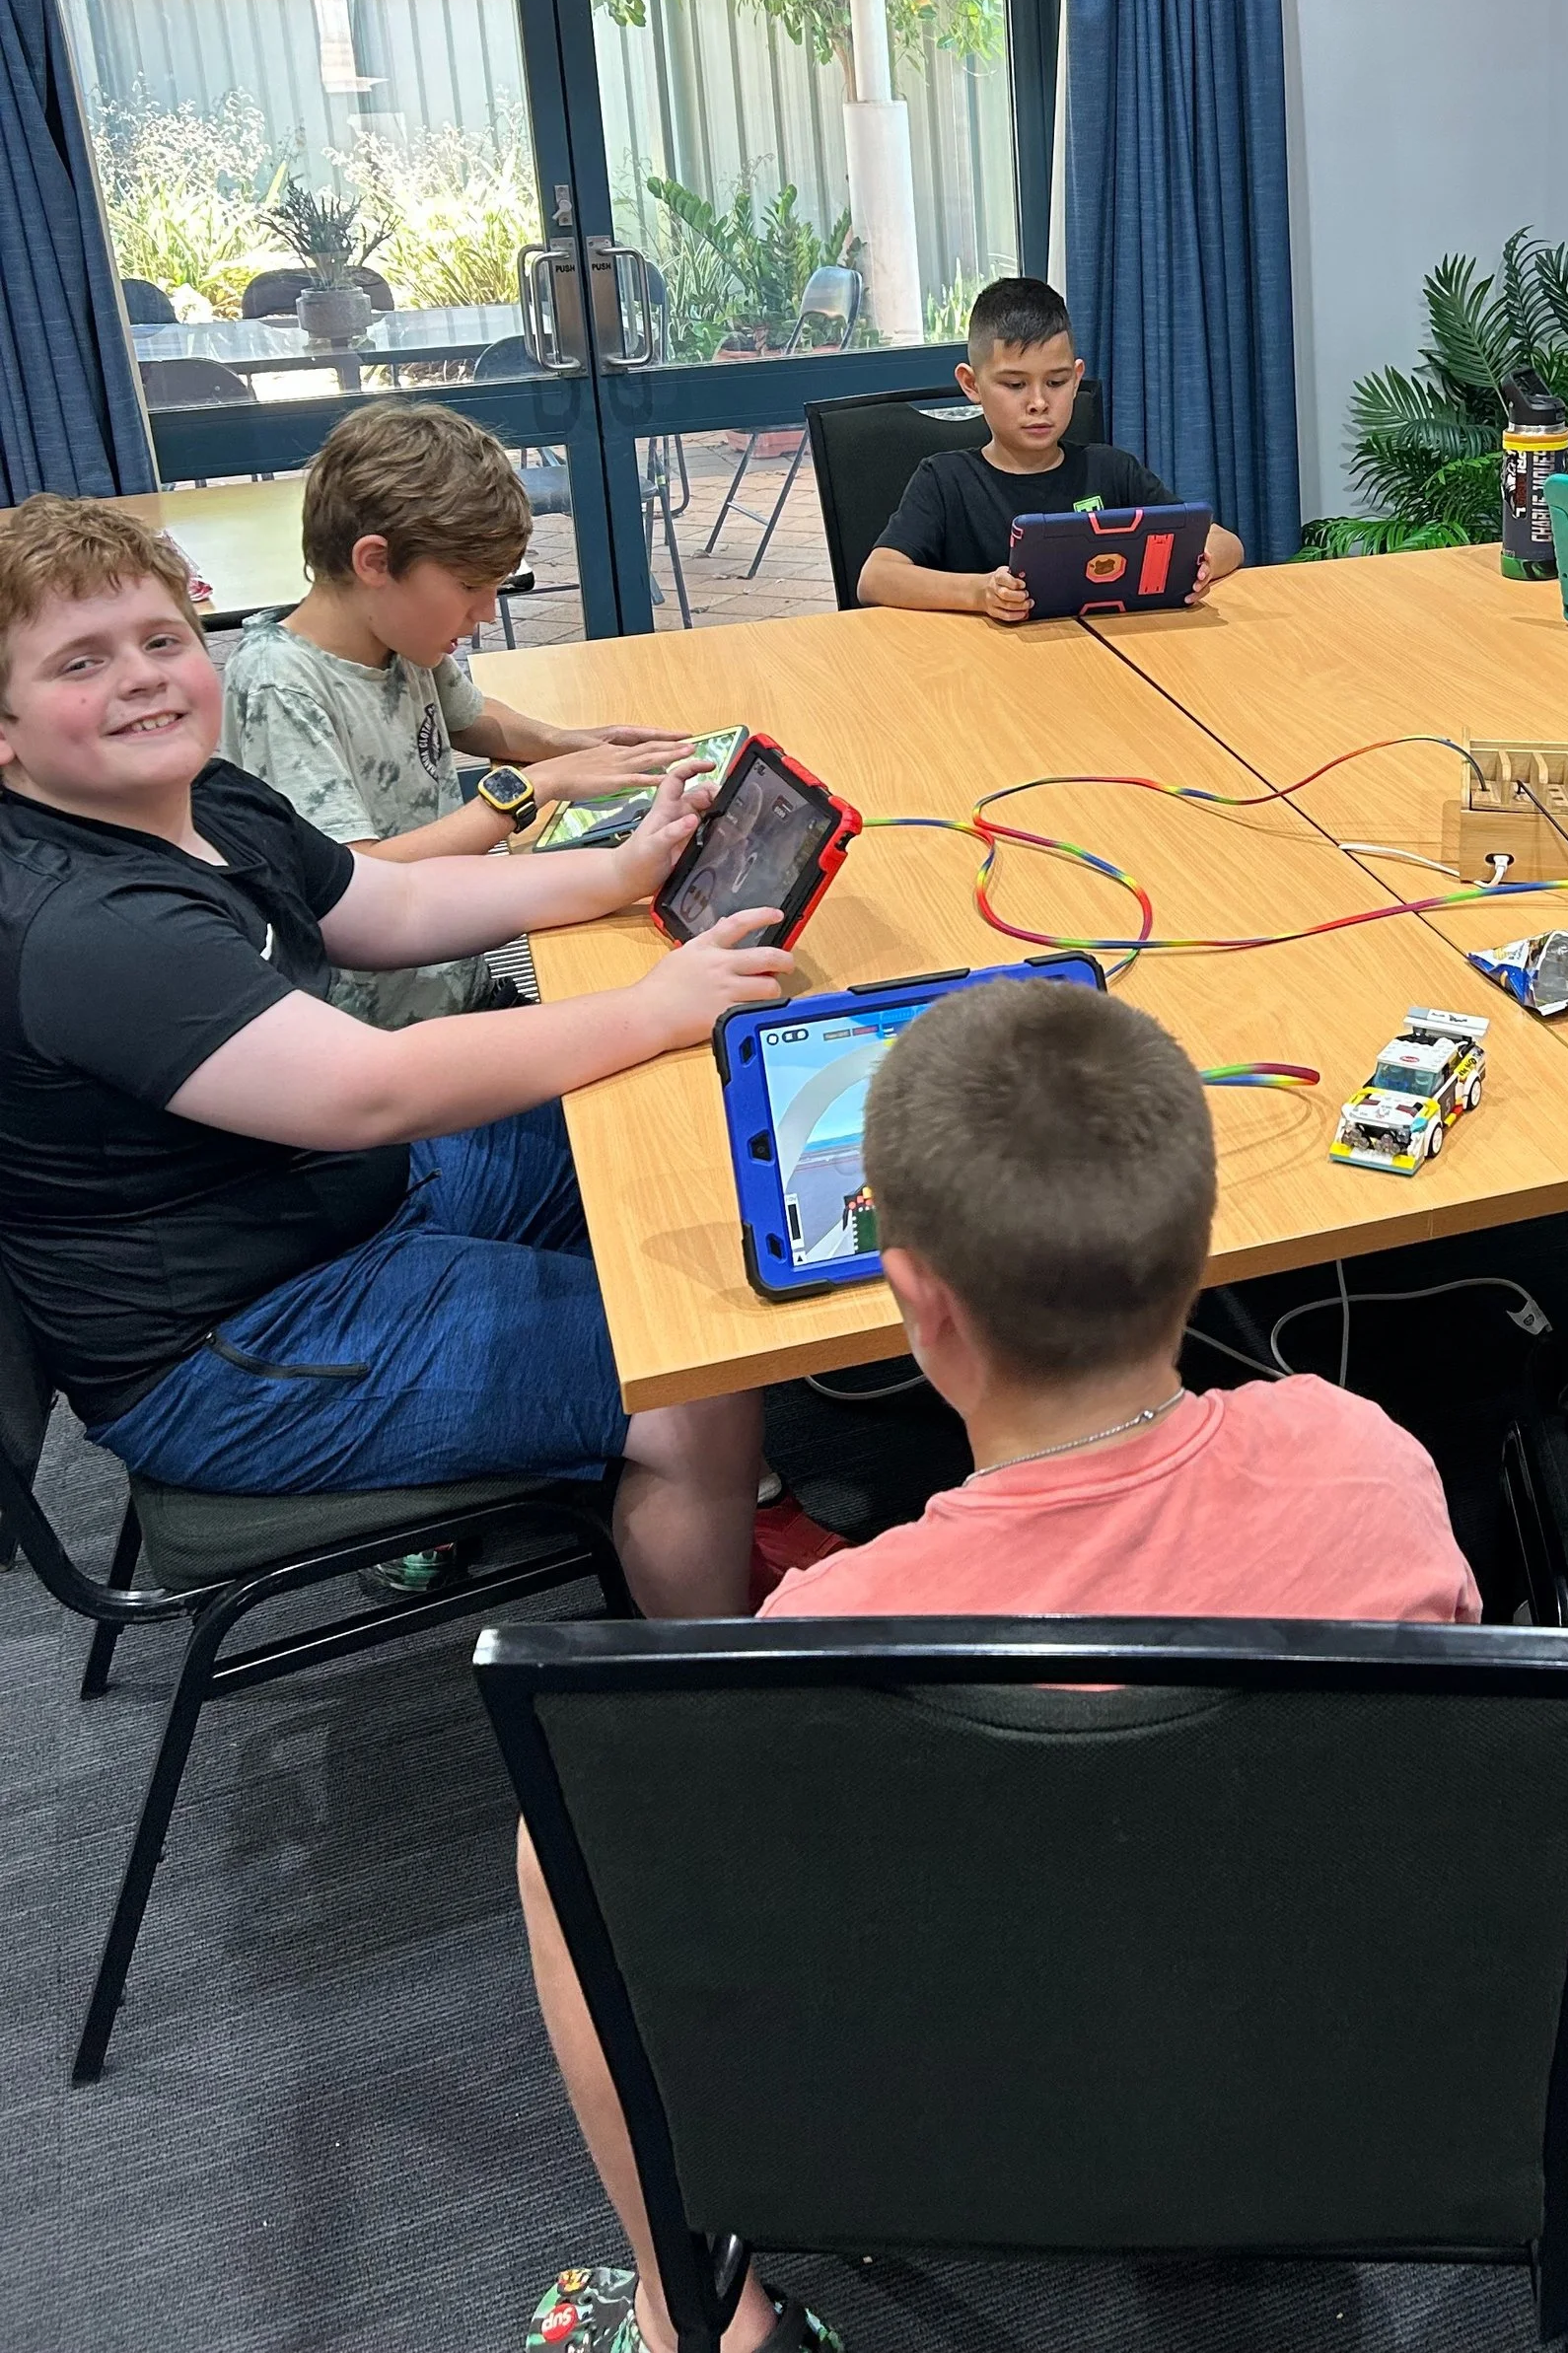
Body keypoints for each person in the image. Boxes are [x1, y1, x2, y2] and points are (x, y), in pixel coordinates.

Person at [520, 979, 1478, 2353]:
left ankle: (698, 2324)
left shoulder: (823, 1637)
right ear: (1200, 1241)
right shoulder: (1366, 1456)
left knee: (558, 1828)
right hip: (1339, 2072)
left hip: (962, 2113)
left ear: (917, 1300)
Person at [0, 496, 792, 1618]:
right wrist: (654, 1008)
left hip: (341, 1205)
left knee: (641, 1142)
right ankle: (711, 1690)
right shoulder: (90, 926)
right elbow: (371, 1089)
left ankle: (637, 1481)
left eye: (162, 640)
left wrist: (622, 872)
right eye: (82, 662)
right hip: (235, 1339)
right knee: (693, 1375)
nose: (142, 678)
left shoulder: (203, 797)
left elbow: (395, 905)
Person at [220, 406, 695, 1027]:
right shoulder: (279, 686)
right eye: (471, 587)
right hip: (387, 1034)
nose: (487, 613)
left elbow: (473, 719)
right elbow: (357, 878)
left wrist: (571, 745)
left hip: (458, 980)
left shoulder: (397, 637)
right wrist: (535, 786)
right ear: (375, 562)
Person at [855, 275, 1244, 622]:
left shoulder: (1111, 470)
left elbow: (1226, 542)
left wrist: (1203, 565)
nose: (1039, 403)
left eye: (1056, 382)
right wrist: (978, 592)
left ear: (1076, 379)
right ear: (971, 384)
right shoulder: (944, 481)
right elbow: (875, 578)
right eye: (1015, 385)